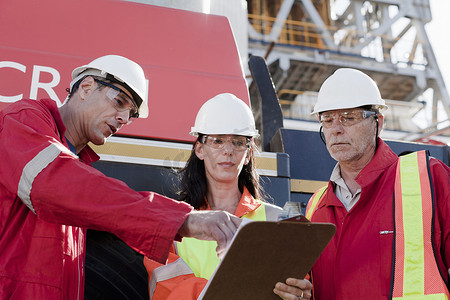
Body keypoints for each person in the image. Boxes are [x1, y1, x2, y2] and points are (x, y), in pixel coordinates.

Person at [0, 55, 242, 299]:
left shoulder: (77, 167)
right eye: (120, 101)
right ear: (86, 87)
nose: (124, 119)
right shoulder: (22, 120)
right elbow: (50, 183)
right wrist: (182, 219)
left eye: (131, 114)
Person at [278, 68, 450, 299]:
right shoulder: (316, 206)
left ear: (378, 122)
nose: (336, 129)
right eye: (327, 119)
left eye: (348, 117)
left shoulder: (429, 180)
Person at [144, 93, 313, 299]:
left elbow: (299, 286)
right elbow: (166, 289)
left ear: (248, 153)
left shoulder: (279, 221)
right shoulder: (175, 224)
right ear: (200, 149)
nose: (228, 151)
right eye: (218, 141)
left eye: (238, 142)